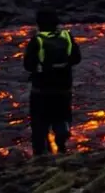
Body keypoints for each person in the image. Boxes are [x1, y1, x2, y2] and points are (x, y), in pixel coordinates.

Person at [23, 10, 81, 156]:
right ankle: (61, 147)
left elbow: (28, 65)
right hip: (64, 89)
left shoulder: (37, 40)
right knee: (61, 119)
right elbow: (76, 59)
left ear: (39, 24)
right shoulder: (67, 37)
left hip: (41, 91)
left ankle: (41, 155)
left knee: (39, 125)